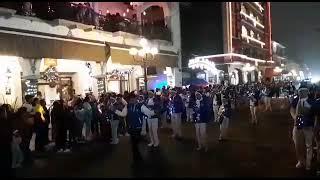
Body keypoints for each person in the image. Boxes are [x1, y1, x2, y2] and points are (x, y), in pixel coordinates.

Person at [291, 88, 315, 171]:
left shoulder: (311, 101)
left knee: (307, 145)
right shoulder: (296, 100)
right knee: (299, 144)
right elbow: (292, 110)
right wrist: (295, 118)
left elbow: (314, 114)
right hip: (300, 124)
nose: (300, 93)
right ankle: (302, 161)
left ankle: (307, 164)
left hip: (307, 125)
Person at [126, 93, 144, 165]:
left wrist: (154, 112)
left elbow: (148, 113)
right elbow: (124, 114)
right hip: (132, 128)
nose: (131, 100)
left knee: (135, 144)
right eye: (130, 99)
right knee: (134, 145)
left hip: (138, 128)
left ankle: (138, 159)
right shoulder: (129, 106)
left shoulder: (140, 106)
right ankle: (136, 159)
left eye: (133, 99)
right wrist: (115, 110)